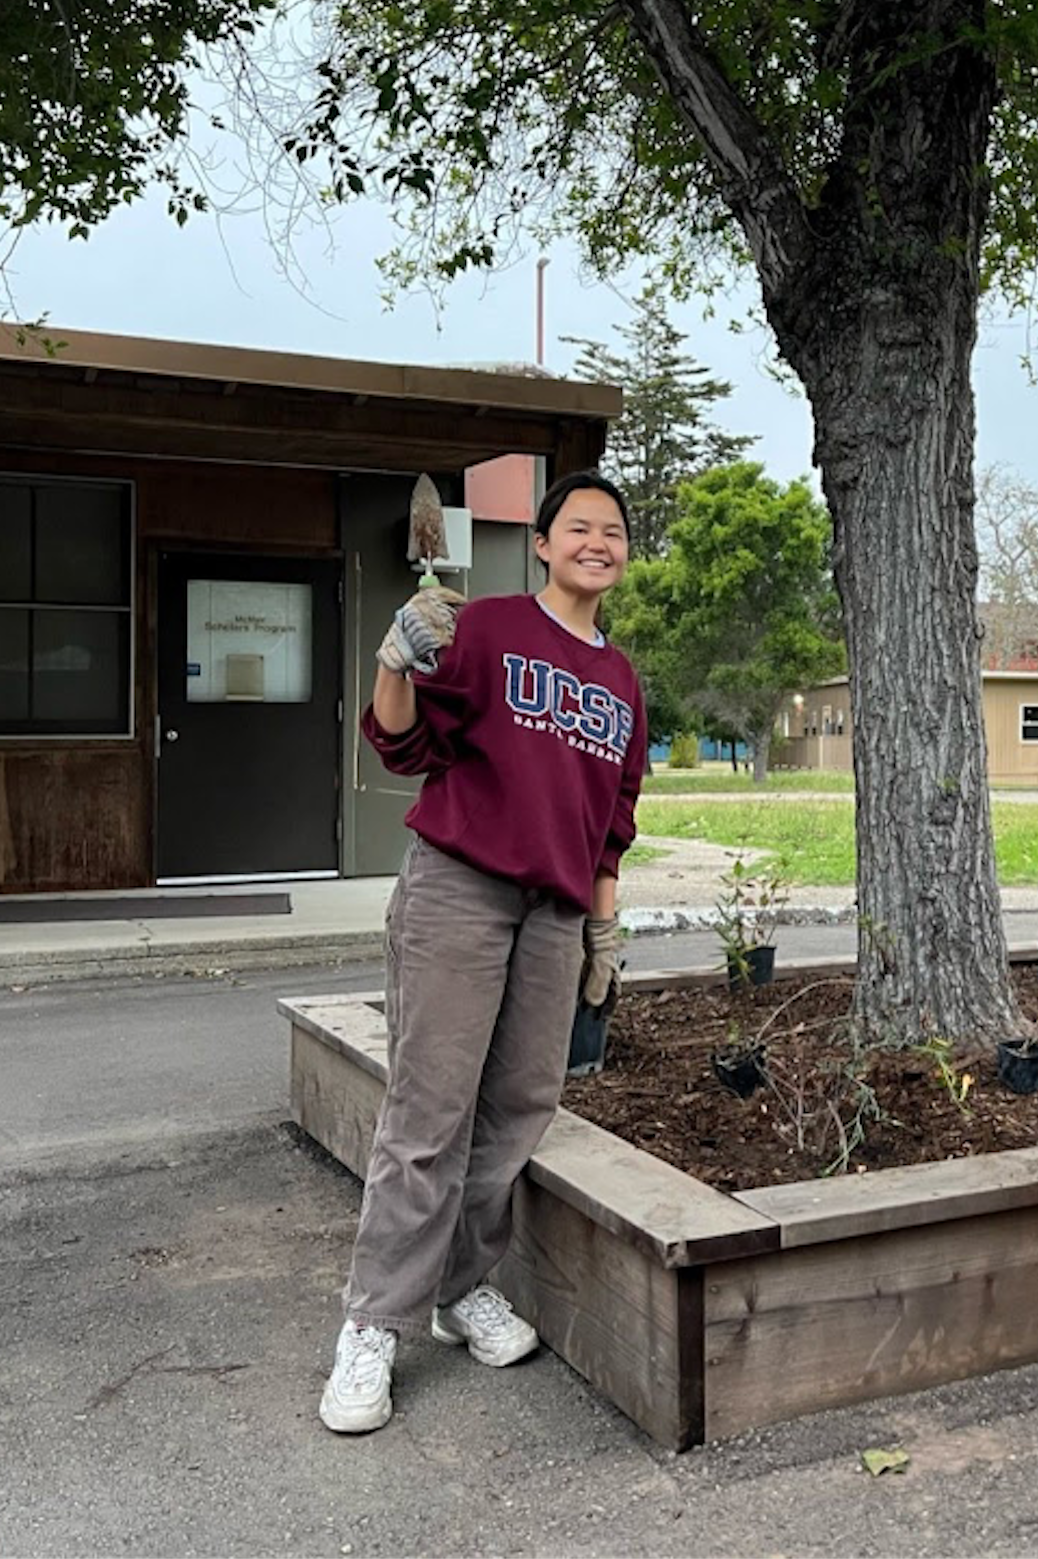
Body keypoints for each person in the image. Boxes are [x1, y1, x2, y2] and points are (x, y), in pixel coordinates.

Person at [318, 470, 646, 1435]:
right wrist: (392, 657)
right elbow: (401, 740)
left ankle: (462, 1291)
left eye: (614, 531)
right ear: (541, 545)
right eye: (578, 526)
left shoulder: (621, 680)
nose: (599, 541)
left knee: (517, 1108)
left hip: (553, 912)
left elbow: (613, 819)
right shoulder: (489, 630)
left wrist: (602, 921)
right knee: (430, 1110)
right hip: (459, 887)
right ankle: (374, 1322)